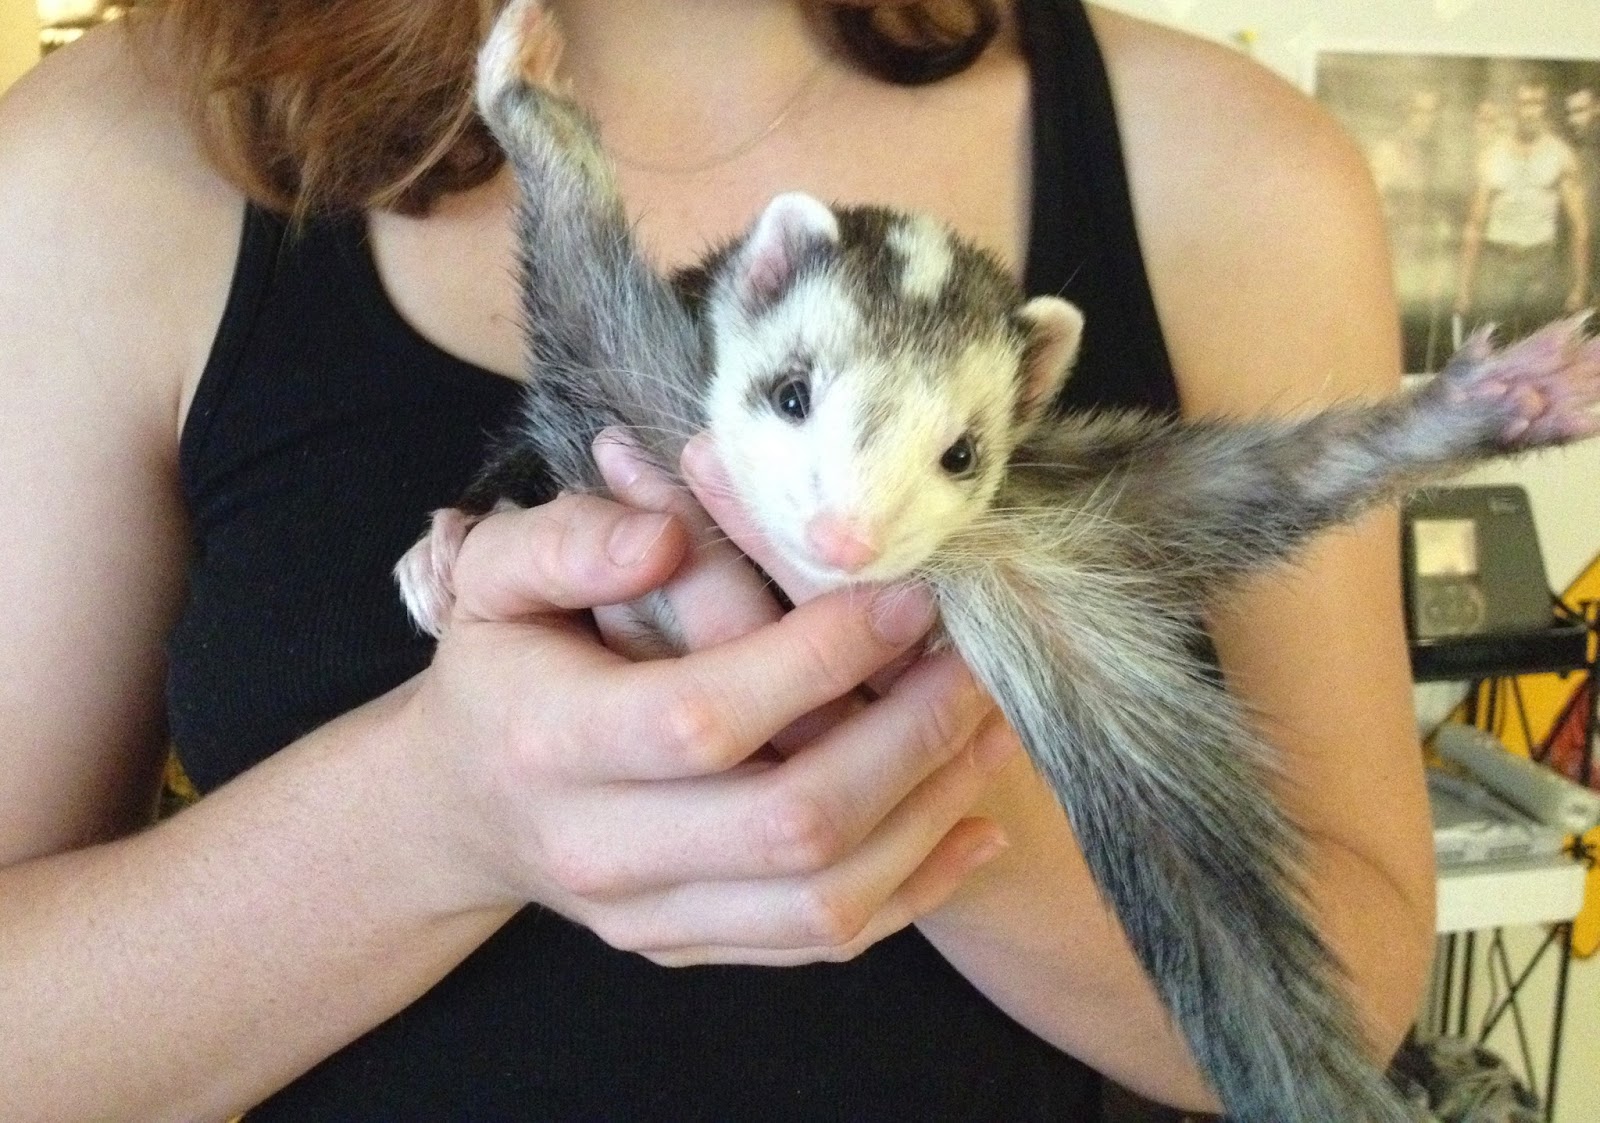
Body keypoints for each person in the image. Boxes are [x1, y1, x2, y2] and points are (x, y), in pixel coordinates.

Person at [0, 1, 1434, 1118]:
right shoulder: (102, 157)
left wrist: (935, 783)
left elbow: (1343, 1003)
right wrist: (443, 814)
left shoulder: (1246, 169)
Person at [1455, 77, 1591, 337]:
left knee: (1540, 349)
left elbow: (1580, 227)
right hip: (1498, 264)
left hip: (1541, 266)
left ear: (1545, 108)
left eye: (1536, 103)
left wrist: (1579, 287)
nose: (1530, 111)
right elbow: (1474, 225)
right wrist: (1464, 289)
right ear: (1513, 107)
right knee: (1494, 347)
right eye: (1524, 103)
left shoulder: (1561, 155)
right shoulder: (1492, 155)